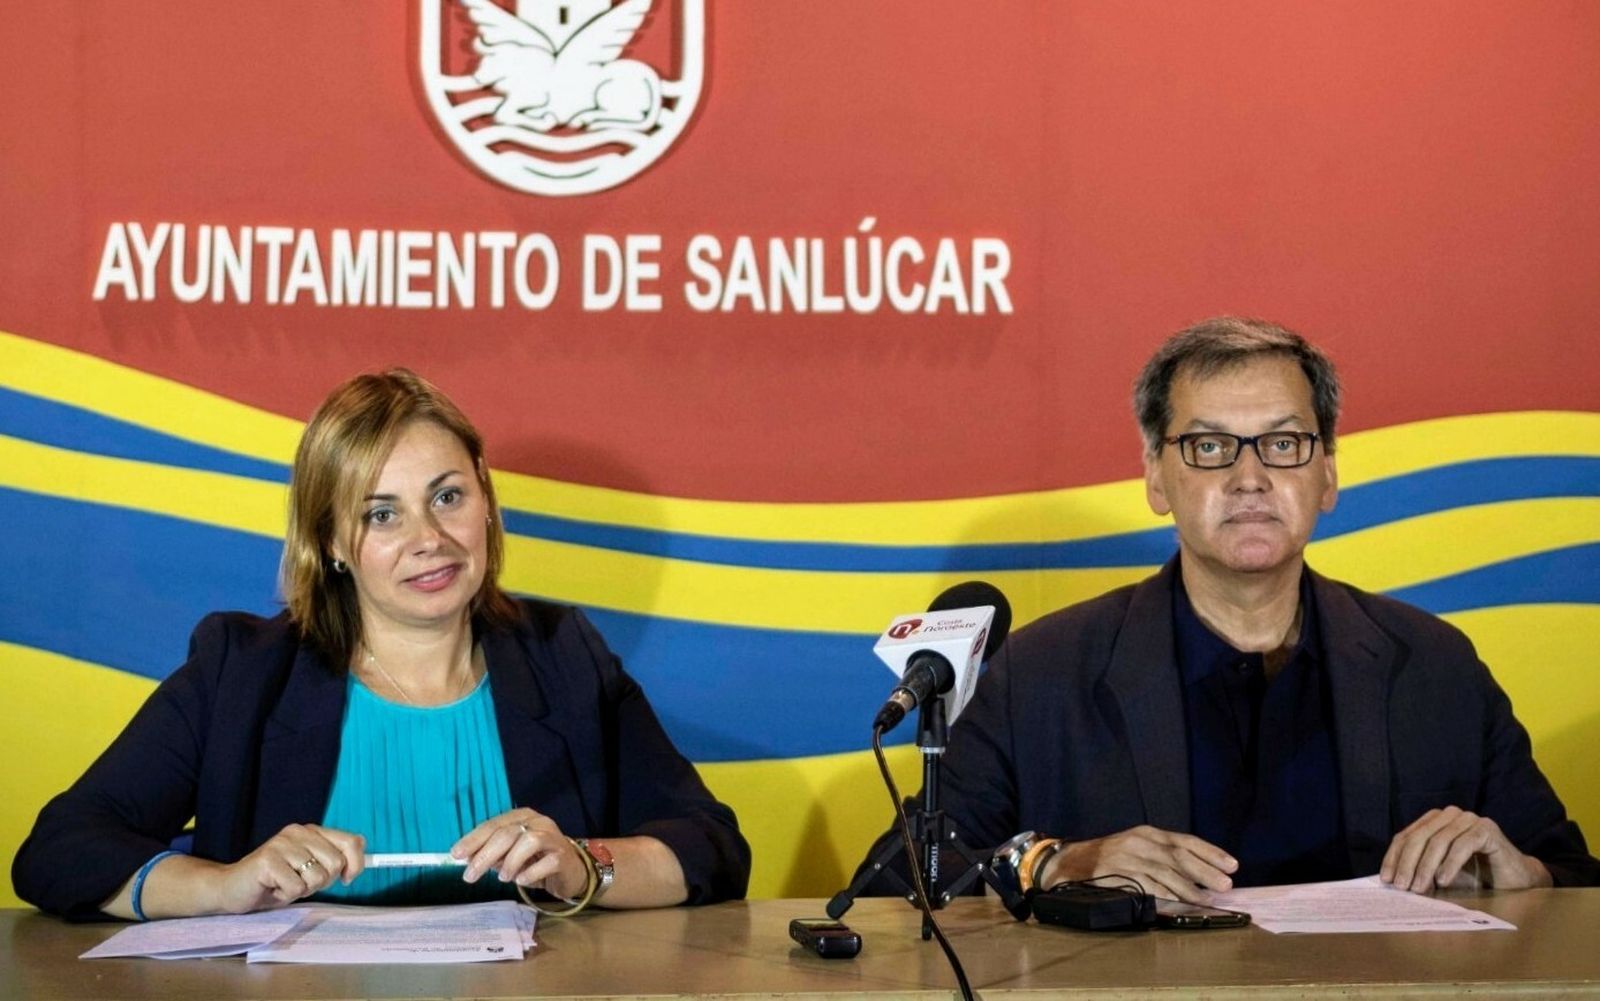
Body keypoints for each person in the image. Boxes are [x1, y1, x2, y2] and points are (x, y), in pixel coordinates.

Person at [852, 316, 1599, 903]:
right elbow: (899, 878)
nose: (1249, 476)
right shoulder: (1043, 673)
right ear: (1155, 476)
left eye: (1284, 442)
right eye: (1210, 446)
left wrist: (1520, 871)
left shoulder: (1434, 665)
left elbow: (1572, 874)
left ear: (1328, 474)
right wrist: (1054, 861)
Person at [14, 369, 750, 920]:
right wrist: (225, 883)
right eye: (381, 515)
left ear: (487, 496)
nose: (428, 540)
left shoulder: (564, 653)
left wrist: (584, 866)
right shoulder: (242, 670)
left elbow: (712, 845)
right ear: (331, 540)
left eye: (447, 496)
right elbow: (60, 850)